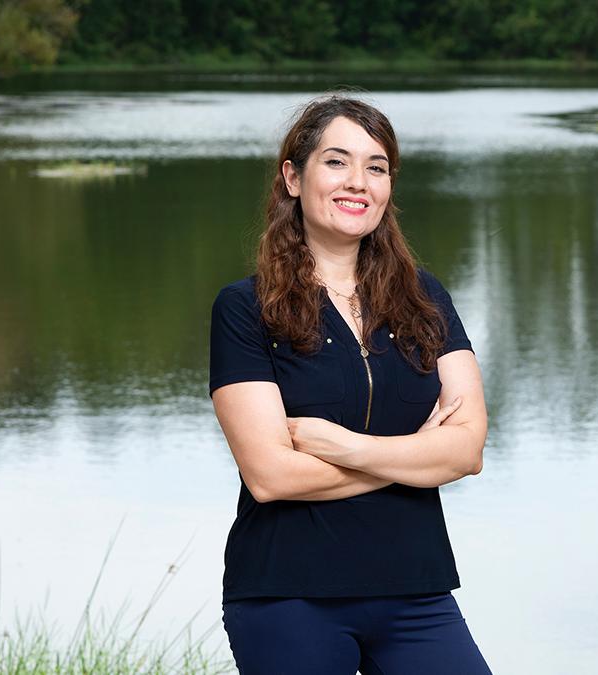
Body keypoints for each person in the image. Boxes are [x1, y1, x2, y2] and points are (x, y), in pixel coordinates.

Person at [208, 95, 493, 674]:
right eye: (336, 162)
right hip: (288, 593)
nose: (358, 182)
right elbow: (270, 476)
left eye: (377, 166)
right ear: (293, 176)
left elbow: (466, 450)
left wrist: (349, 448)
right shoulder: (245, 309)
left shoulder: (426, 298)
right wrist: (415, 455)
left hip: (416, 589)